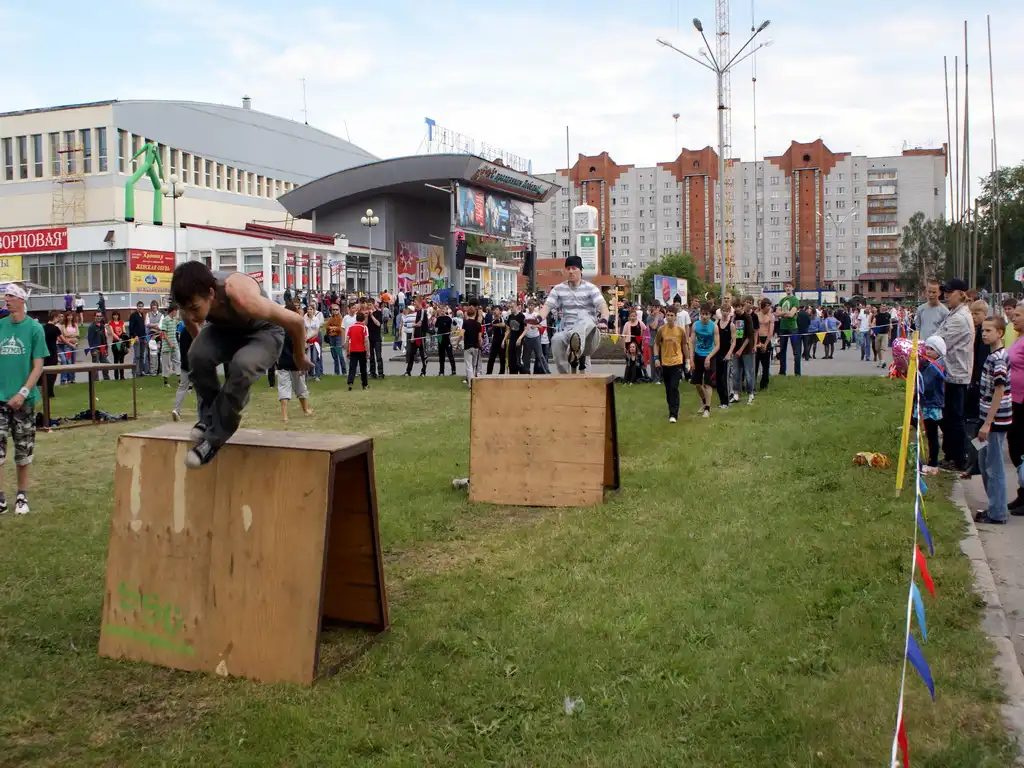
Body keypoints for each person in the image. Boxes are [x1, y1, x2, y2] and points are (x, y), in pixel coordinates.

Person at [171, 261, 309, 468]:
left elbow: (296, 322)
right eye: (185, 310)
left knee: (242, 366)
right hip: (224, 331)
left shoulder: (241, 295)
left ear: (211, 293)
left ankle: (214, 438)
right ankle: (209, 417)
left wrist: (299, 356)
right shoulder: (188, 300)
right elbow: (193, 329)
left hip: (264, 332)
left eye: (194, 309)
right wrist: (203, 356)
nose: (190, 315)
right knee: (197, 355)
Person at [0, 283, 47, 515]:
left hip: (24, 401)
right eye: (5, 295)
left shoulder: (34, 329)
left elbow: (38, 366)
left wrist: (23, 393)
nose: (6, 299)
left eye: (10, 295)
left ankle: (21, 496)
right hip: (0, 399)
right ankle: (0, 498)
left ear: (21, 299)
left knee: (23, 451)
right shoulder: (0, 326)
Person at [536, 255, 610, 373]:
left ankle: (576, 353)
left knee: (582, 315)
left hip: (589, 335)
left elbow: (603, 306)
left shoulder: (591, 288)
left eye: (574, 268)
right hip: (569, 334)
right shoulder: (558, 289)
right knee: (556, 339)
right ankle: (566, 375)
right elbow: (547, 306)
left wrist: (604, 320)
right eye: (568, 268)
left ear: (581, 270)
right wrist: (538, 319)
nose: (570, 271)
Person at [975, 316, 1012, 525]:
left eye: (989, 330)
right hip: (986, 417)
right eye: (983, 330)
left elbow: (999, 390)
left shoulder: (998, 359)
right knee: (984, 461)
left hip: (995, 421)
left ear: (1000, 333)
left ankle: (998, 512)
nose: (984, 334)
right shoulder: (992, 356)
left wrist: (988, 422)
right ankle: (994, 506)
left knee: (994, 467)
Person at [936, 278, 975, 473]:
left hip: (956, 375)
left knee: (955, 419)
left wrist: (925, 348)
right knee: (948, 417)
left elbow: (940, 342)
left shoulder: (960, 318)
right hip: (950, 373)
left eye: (949, 292)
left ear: (961, 294)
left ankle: (959, 459)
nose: (945, 296)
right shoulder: (954, 313)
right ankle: (951, 455)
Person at [276, 303, 313, 423]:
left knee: (283, 388)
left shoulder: (279, 328)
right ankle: (306, 410)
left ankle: (284, 416)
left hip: (282, 361)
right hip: (295, 362)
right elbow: (300, 347)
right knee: (300, 387)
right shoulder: (296, 328)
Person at [654, 305, 688, 423]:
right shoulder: (661, 330)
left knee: (674, 387)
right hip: (665, 362)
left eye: (671, 315)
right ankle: (671, 407)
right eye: (668, 315)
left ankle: (673, 414)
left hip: (677, 362)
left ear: (675, 317)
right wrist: (656, 358)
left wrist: (687, 360)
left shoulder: (680, 330)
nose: (669, 317)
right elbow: (656, 344)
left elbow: (684, 345)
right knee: (668, 389)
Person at [918, 336, 947, 476]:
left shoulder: (933, 366)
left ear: (939, 351)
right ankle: (933, 461)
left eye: (932, 349)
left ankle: (933, 463)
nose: (928, 351)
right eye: (927, 348)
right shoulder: (933, 364)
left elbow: (925, 383)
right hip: (932, 403)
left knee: (932, 435)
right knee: (933, 433)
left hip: (931, 405)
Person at [690, 302, 718, 418]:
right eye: (702, 314)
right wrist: (691, 359)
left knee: (707, 383)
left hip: (710, 355)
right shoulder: (695, 325)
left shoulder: (714, 326)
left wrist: (709, 357)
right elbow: (691, 343)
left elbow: (717, 345)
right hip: (698, 355)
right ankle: (704, 401)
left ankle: (708, 408)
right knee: (697, 383)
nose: (704, 316)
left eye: (706, 314)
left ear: (710, 315)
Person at [731, 297, 756, 405]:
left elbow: (749, 336)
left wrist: (741, 349)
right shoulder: (734, 317)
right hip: (736, 349)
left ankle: (751, 393)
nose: (737, 309)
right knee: (736, 372)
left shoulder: (747, 317)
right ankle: (736, 393)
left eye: (738, 307)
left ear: (742, 307)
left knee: (748, 372)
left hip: (746, 350)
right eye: (735, 307)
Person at [775, 282, 801, 376]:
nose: (788, 288)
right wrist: (785, 313)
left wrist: (782, 314)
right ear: (784, 288)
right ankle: (782, 372)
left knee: (796, 351)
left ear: (792, 288)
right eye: (786, 286)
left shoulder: (795, 300)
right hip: (783, 327)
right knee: (782, 350)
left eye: (790, 286)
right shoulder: (782, 300)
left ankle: (797, 373)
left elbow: (791, 314)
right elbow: (776, 313)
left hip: (793, 328)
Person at [171, 324, 195, 422]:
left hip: (185, 363)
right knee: (201, 388)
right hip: (194, 363)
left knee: (182, 387)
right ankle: (206, 412)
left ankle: (176, 410)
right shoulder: (193, 331)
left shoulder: (184, 331)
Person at [713, 300, 735, 409]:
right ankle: (722, 400)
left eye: (727, 311)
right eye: (723, 311)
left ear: (730, 312)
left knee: (725, 378)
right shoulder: (716, 324)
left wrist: (729, 353)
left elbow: (734, 341)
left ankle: (726, 401)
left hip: (726, 353)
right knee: (718, 378)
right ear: (720, 311)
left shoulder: (731, 325)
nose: (725, 313)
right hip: (717, 353)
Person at [754, 298, 774, 390]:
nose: (769, 308)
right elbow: (755, 330)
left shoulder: (771, 316)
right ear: (763, 306)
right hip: (757, 338)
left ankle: (764, 383)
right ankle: (752, 382)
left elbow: (771, 331)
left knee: (766, 364)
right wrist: (757, 342)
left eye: (770, 306)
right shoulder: (756, 315)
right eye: (767, 306)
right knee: (755, 363)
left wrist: (765, 344)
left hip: (766, 338)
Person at [404, 303, 429, 376]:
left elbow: (419, 323)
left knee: (423, 355)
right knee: (411, 353)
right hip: (416, 336)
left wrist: (414, 325)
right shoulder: (417, 312)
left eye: (415, 302)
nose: (414, 304)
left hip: (421, 337)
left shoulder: (423, 312)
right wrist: (412, 336)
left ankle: (423, 372)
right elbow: (415, 324)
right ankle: (408, 371)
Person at [462, 304, 483, 388]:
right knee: (475, 365)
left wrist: (457, 342)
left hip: (467, 346)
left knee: (469, 365)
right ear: (475, 313)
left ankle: (470, 383)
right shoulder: (478, 324)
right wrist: (480, 344)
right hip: (476, 346)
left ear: (467, 313)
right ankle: (475, 380)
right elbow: (479, 337)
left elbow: (462, 333)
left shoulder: (465, 323)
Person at [505, 300, 528, 374]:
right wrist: (504, 339)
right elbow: (508, 329)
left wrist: (520, 338)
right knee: (511, 360)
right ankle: (512, 375)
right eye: (510, 307)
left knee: (518, 361)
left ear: (516, 307)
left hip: (519, 341)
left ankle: (525, 374)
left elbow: (525, 329)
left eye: (512, 307)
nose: (511, 309)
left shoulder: (522, 316)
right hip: (512, 340)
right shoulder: (510, 317)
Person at [42, 311, 61, 399]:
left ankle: (45, 391)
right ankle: (50, 392)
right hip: (52, 353)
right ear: (54, 317)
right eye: (58, 317)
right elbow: (61, 339)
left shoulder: (43, 328)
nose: (58, 319)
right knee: (53, 374)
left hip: (45, 353)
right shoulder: (55, 328)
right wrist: (71, 345)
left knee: (46, 373)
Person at [304, 302, 325, 382]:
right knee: (307, 358)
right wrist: (306, 339)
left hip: (314, 340)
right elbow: (305, 329)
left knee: (315, 358)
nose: (309, 311)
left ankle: (317, 375)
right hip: (307, 340)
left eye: (311, 309)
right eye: (308, 309)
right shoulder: (305, 318)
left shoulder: (316, 319)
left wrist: (309, 338)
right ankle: (307, 375)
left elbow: (316, 332)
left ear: (313, 310)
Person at [87, 312, 111, 381]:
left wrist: (106, 349)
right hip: (95, 349)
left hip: (102, 348)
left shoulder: (102, 326)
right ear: (94, 317)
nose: (99, 317)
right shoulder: (91, 327)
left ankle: (106, 379)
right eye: (97, 316)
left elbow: (104, 338)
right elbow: (90, 340)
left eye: (100, 316)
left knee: (105, 364)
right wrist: (93, 350)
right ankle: (95, 380)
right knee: (96, 366)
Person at [434, 305, 457, 376]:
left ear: (446, 311)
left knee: (450, 355)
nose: (442, 312)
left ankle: (453, 371)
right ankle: (441, 372)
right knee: (441, 356)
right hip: (440, 338)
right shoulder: (438, 318)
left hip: (447, 338)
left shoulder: (448, 318)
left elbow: (454, 325)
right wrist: (437, 335)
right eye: (441, 310)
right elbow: (436, 327)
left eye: (443, 310)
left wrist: (451, 333)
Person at [324, 304, 346, 376]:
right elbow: (327, 326)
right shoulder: (330, 318)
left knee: (340, 355)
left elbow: (340, 328)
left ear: (339, 310)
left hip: (338, 337)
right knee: (334, 355)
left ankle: (344, 371)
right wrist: (333, 328)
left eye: (337, 309)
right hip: (331, 337)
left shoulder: (341, 318)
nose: (335, 311)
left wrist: (333, 328)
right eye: (334, 309)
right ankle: (336, 372)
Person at [128, 301, 148, 377]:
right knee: (137, 356)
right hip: (136, 339)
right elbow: (131, 327)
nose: (140, 308)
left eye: (142, 306)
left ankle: (140, 371)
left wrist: (145, 337)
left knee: (142, 356)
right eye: (139, 306)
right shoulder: (133, 315)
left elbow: (143, 327)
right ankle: (135, 372)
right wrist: (135, 335)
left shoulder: (142, 315)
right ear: (137, 307)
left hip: (142, 338)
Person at [366, 299, 385, 378]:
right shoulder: (367, 314)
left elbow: (378, 324)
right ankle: (372, 372)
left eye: (370, 305)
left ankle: (380, 373)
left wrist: (372, 316)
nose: (369, 307)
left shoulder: (378, 313)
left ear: (374, 304)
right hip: (369, 338)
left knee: (378, 356)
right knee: (371, 357)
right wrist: (367, 316)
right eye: (368, 305)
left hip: (377, 338)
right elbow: (365, 324)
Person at [486, 305, 507, 375]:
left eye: (497, 309)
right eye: (494, 310)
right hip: (495, 340)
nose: (495, 311)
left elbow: (503, 325)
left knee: (502, 358)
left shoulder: (502, 319)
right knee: (491, 358)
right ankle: (488, 373)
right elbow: (489, 330)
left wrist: (495, 325)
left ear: (500, 311)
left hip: (502, 340)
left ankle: (501, 373)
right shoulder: (492, 320)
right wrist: (491, 327)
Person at [108, 310, 127, 381]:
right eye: (114, 315)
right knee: (116, 360)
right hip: (115, 343)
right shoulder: (111, 323)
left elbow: (124, 331)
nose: (115, 316)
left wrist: (122, 338)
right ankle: (116, 377)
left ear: (118, 316)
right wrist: (118, 339)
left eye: (117, 315)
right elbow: (112, 333)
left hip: (122, 342)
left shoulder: (121, 322)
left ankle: (122, 376)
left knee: (122, 360)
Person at [146, 301, 163, 376]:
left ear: (157, 306)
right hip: (151, 336)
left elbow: (161, 326)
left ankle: (159, 370)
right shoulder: (148, 314)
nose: (154, 306)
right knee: (152, 354)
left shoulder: (161, 315)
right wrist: (156, 324)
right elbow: (147, 324)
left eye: (155, 305)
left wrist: (152, 325)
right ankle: (153, 371)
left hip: (159, 336)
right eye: (152, 305)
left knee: (159, 353)